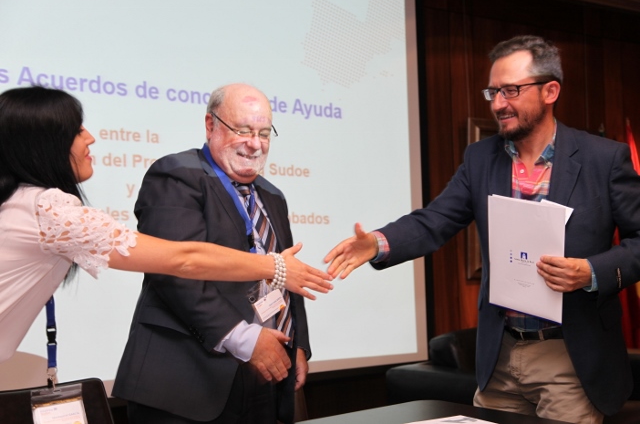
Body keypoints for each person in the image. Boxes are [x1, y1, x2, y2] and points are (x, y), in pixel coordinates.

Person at [325, 35, 640, 423]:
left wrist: (591, 272)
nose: (498, 104)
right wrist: (378, 242)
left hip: (571, 356)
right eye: (493, 91)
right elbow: (435, 219)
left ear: (550, 91)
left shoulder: (603, 158)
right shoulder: (480, 158)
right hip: (499, 356)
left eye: (511, 91)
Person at [0, 85, 333, 365]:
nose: (90, 138)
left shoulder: (23, 201)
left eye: (263, 133)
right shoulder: (48, 210)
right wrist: (275, 266)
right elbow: (182, 259)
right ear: (42, 145)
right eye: (76, 130)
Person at [113, 83, 316, 424]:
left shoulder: (272, 195)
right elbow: (175, 272)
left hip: (263, 377)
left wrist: (297, 345)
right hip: (186, 384)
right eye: (243, 130)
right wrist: (245, 339)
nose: (255, 144)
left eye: (264, 133)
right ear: (211, 125)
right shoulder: (176, 175)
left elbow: (285, 271)